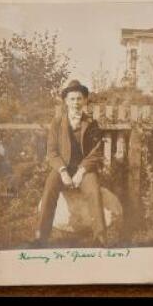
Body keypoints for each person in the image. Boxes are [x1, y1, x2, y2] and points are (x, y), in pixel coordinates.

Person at [35, 80, 106, 247]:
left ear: (85, 101)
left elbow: (96, 152)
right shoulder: (57, 123)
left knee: (94, 190)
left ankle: (100, 239)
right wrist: (63, 172)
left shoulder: (92, 124)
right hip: (63, 168)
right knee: (49, 187)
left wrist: (81, 171)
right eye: (72, 99)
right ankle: (40, 238)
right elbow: (52, 152)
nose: (76, 103)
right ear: (66, 101)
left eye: (79, 99)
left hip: (84, 170)